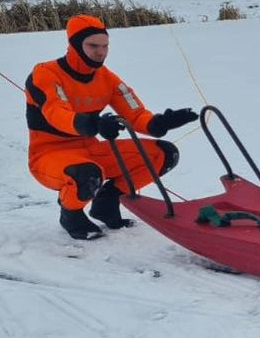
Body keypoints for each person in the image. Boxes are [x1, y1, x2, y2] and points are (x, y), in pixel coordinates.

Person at [25, 14, 199, 240]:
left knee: (164, 154)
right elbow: (56, 113)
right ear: (74, 45)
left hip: (90, 151)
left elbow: (135, 114)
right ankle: (71, 215)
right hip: (49, 155)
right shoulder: (45, 74)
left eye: (105, 46)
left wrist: (159, 123)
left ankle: (107, 203)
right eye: (93, 46)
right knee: (87, 174)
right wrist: (94, 124)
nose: (101, 52)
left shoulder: (107, 78)